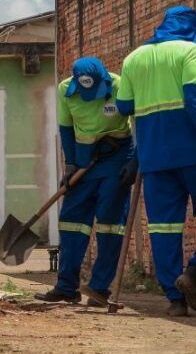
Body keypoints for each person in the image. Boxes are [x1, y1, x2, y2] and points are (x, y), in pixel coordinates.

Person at [116, 5, 196, 316]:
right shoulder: (190, 51)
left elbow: (125, 105)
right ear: (192, 26)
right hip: (193, 152)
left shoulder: (133, 58)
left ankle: (175, 300)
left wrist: (136, 156)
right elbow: (195, 101)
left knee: (163, 228)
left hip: (154, 158)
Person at [35, 57, 134, 306]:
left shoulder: (120, 85)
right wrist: (70, 165)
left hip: (115, 159)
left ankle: (99, 287)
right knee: (71, 222)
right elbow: (66, 130)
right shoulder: (65, 91)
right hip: (83, 163)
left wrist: (134, 160)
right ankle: (66, 286)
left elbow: (138, 122)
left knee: (110, 224)